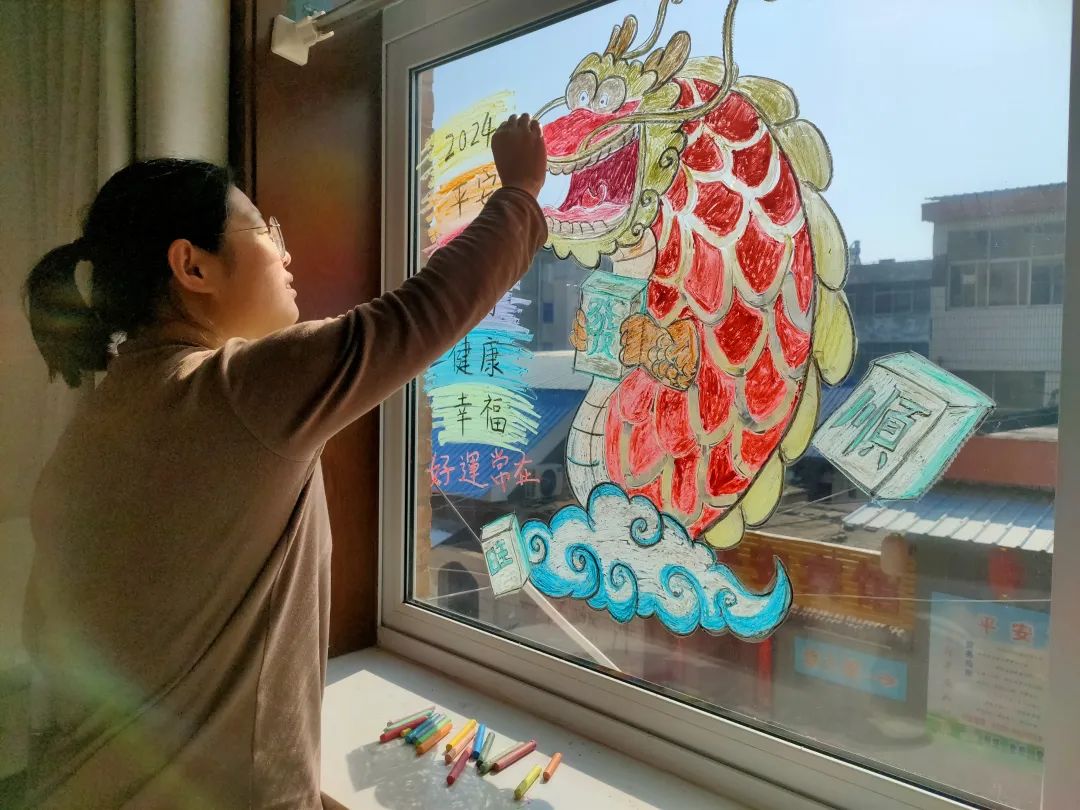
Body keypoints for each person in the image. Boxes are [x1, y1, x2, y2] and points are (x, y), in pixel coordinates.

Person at [21, 114, 547, 809]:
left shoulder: (98, 419)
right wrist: (519, 192)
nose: (286, 251)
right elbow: (421, 314)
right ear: (192, 266)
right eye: (266, 230)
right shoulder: (236, 395)